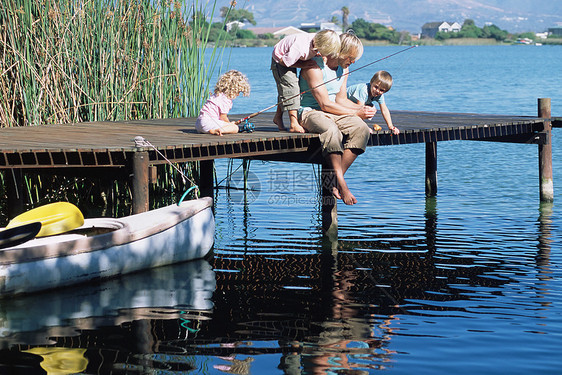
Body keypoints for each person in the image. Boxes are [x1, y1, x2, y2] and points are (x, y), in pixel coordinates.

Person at [298, 31, 376, 205]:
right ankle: (341, 184)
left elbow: (341, 100)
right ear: (340, 51)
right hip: (310, 112)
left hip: (333, 112)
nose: (353, 61)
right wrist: (356, 113)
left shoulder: (344, 69)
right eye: (350, 57)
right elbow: (324, 104)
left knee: (361, 129)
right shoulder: (314, 67)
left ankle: (333, 181)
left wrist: (362, 109)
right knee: (332, 131)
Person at [271, 29, 341, 133]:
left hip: (293, 57)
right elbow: (285, 62)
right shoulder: (300, 49)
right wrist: (302, 65)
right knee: (291, 88)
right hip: (281, 60)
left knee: (285, 90)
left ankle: (278, 117)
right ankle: (293, 123)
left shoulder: (316, 41)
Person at [195, 70, 251, 136]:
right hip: (207, 123)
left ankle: (212, 130)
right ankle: (217, 131)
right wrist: (229, 124)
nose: (238, 94)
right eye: (238, 92)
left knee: (230, 125)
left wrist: (228, 124)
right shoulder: (226, 99)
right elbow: (223, 118)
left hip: (199, 124)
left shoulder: (217, 95)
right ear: (233, 89)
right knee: (235, 128)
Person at [347, 70, 400, 135]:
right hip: (344, 102)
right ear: (371, 82)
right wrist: (364, 127)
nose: (377, 91)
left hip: (354, 105)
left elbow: (384, 110)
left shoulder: (380, 95)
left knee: (372, 108)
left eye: (381, 90)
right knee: (365, 110)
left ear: (385, 91)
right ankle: (358, 125)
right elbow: (360, 110)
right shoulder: (363, 90)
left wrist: (391, 126)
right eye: (376, 87)